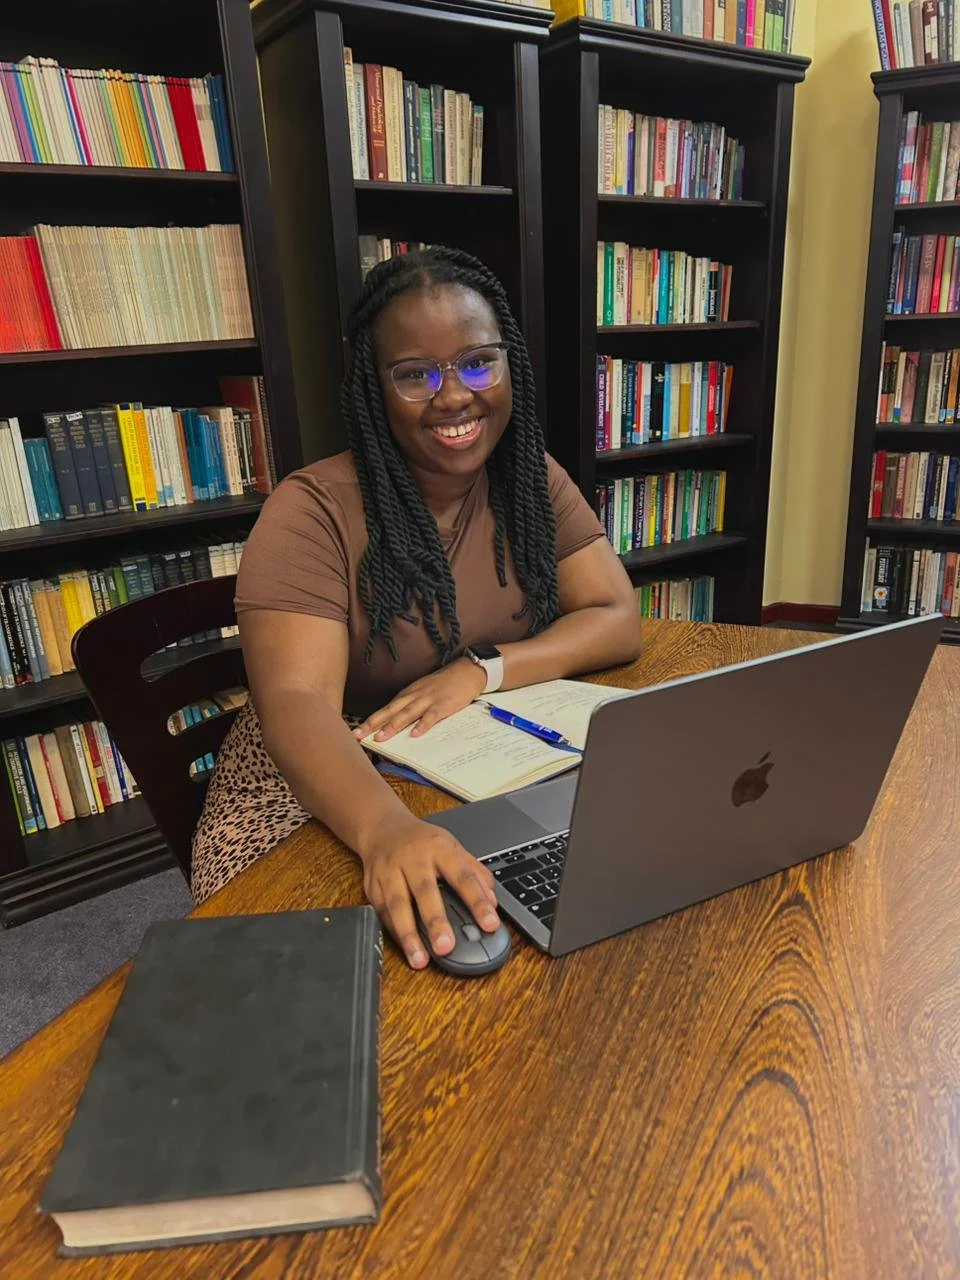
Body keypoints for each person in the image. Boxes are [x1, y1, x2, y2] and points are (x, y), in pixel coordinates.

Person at [192, 246, 642, 967]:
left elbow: (616, 618)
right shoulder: (309, 512)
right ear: (374, 390)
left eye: (476, 362)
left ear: (508, 365)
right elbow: (299, 701)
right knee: (356, 972)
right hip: (316, 777)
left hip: (469, 747)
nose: (454, 394)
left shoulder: (529, 479)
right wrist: (384, 831)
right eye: (415, 374)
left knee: (575, 915)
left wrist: (482, 671)